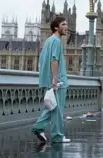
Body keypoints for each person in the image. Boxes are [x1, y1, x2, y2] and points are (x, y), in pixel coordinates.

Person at [31, 15, 71, 143]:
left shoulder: (48, 41)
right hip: (57, 80)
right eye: (63, 24)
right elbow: (54, 60)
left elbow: (42, 61)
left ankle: (38, 127)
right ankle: (57, 136)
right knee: (57, 109)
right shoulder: (56, 41)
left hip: (48, 79)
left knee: (52, 107)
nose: (66, 27)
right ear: (56, 27)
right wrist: (54, 79)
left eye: (66, 24)